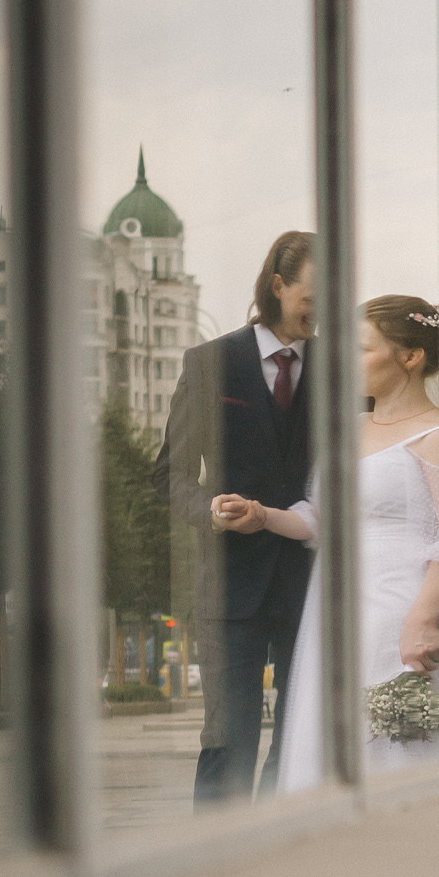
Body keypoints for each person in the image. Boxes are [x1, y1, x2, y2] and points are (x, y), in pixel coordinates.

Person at [153, 230, 317, 803]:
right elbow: (168, 478)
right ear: (278, 285)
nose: (318, 314)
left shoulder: (340, 370)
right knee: (229, 744)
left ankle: (281, 861)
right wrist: (213, 512)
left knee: (300, 744)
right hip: (228, 590)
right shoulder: (209, 363)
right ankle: (214, 867)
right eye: (311, 297)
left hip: (311, 588)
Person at [272, 297, 439, 793]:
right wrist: (261, 515)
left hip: (394, 611)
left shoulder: (438, 436)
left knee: (390, 746)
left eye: (361, 348)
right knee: (323, 741)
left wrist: (424, 618)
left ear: (409, 357)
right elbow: (323, 519)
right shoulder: (348, 429)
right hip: (333, 608)